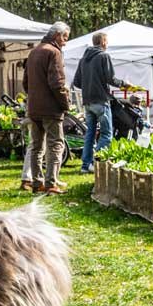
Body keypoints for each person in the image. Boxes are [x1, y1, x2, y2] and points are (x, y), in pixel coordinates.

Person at [22, 22, 71, 194]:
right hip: (51, 109)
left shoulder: (33, 52)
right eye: (65, 37)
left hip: (34, 108)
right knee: (56, 145)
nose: (65, 42)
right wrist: (65, 104)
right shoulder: (54, 52)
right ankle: (51, 183)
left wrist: (35, 97)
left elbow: (25, 83)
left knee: (36, 147)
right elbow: (57, 83)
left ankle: (37, 183)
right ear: (57, 35)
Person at [72, 32, 127, 174]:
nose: (107, 44)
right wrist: (125, 85)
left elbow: (77, 82)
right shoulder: (104, 56)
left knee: (89, 134)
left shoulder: (83, 59)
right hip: (101, 100)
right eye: (107, 41)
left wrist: (90, 84)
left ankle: (85, 166)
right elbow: (111, 79)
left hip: (88, 101)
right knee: (106, 134)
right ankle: (96, 162)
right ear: (103, 42)